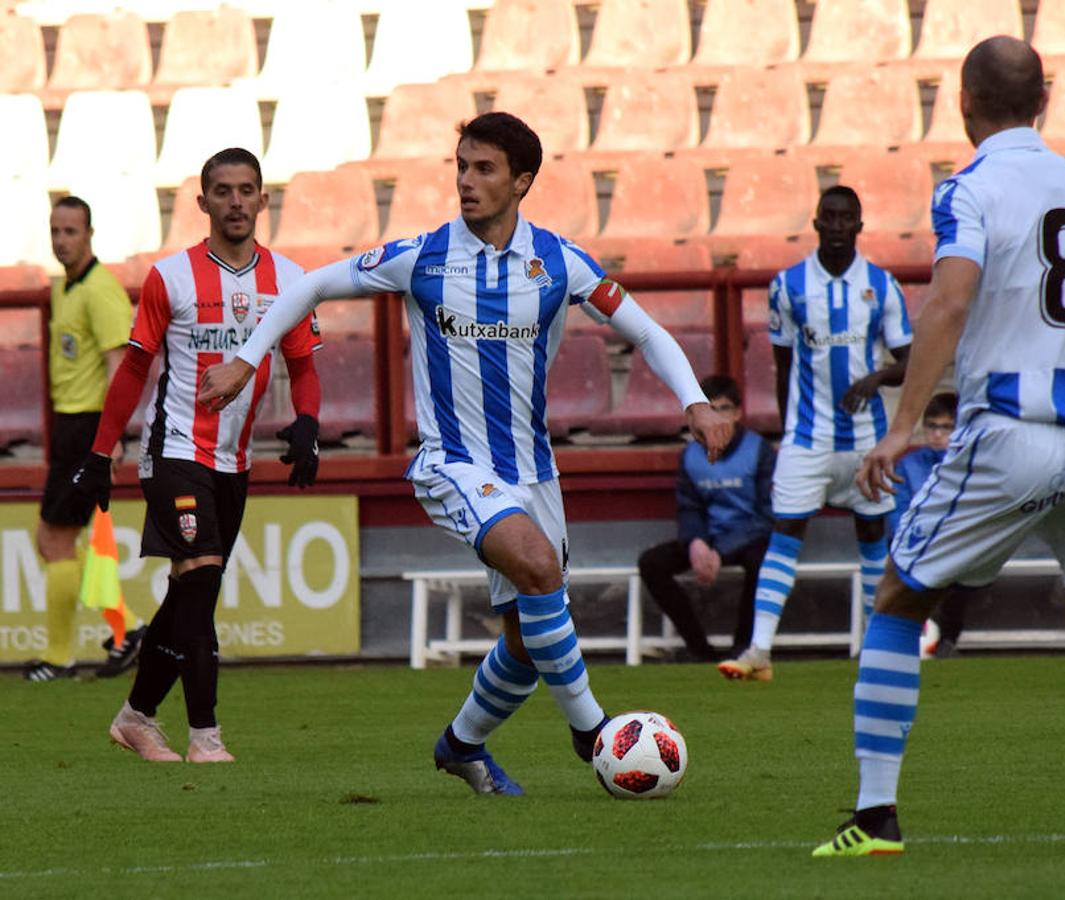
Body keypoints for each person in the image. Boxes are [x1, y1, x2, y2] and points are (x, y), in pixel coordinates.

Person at [196, 112, 732, 794]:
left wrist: (692, 401)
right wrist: (247, 359)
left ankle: (460, 745)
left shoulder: (559, 263)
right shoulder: (421, 257)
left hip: (533, 473)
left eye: (483, 169)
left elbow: (647, 330)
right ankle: (593, 732)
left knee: (528, 641)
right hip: (451, 464)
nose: (466, 181)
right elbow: (307, 286)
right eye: (461, 166)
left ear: (522, 181)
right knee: (538, 569)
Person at [812, 36, 1065, 858]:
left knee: (899, 597)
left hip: (1007, 435)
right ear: (1043, 102)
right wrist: (1062, 366)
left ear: (962, 102)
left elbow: (947, 304)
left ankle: (874, 818)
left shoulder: (969, 190)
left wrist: (905, 424)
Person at [69, 148, 324, 764]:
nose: (236, 202)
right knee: (202, 574)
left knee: (192, 593)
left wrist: (308, 424)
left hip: (233, 461)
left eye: (247, 190)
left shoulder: (289, 280)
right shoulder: (172, 277)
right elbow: (134, 367)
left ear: (264, 201)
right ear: (203, 201)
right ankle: (206, 736)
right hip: (175, 448)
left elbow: (303, 366)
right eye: (224, 191)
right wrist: (101, 454)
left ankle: (135, 717)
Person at [718, 185, 912, 682]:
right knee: (784, 534)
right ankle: (759, 650)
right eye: (831, 217)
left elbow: (908, 362)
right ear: (817, 223)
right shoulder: (788, 286)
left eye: (848, 218)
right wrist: (789, 431)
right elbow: (783, 366)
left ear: (860, 227)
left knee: (873, 537)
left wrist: (873, 379)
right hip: (807, 438)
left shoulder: (882, 286)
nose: (839, 225)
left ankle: (876, 649)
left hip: (867, 438)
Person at [24, 196, 143, 682]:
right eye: (55, 231)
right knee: (57, 540)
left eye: (70, 231)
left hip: (90, 427)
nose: (61, 240)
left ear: (89, 234)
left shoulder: (99, 290)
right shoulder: (68, 288)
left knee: (54, 538)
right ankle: (127, 630)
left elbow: (121, 366)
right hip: (73, 427)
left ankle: (58, 658)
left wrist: (111, 438)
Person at [637, 374, 774, 661]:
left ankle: (743, 648)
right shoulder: (690, 455)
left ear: (737, 412)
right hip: (708, 538)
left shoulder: (759, 450)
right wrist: (695, 542)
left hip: (748, 537)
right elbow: (689, 507)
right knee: (651, 563)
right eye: (709, 410)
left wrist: (721, 551)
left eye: (723, 408)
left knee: (763, 562)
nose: (717, 418)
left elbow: (766, 516)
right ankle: (700, 650)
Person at [888, 391, 968, 657]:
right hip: (917, 545)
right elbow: (896, 513)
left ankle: (946, 640)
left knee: (965, 570)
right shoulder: (907, 465)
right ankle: (922, 638)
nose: (937, 434)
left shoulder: (969, 464)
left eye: (946, 427)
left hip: (958, 544)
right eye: (932, 426)